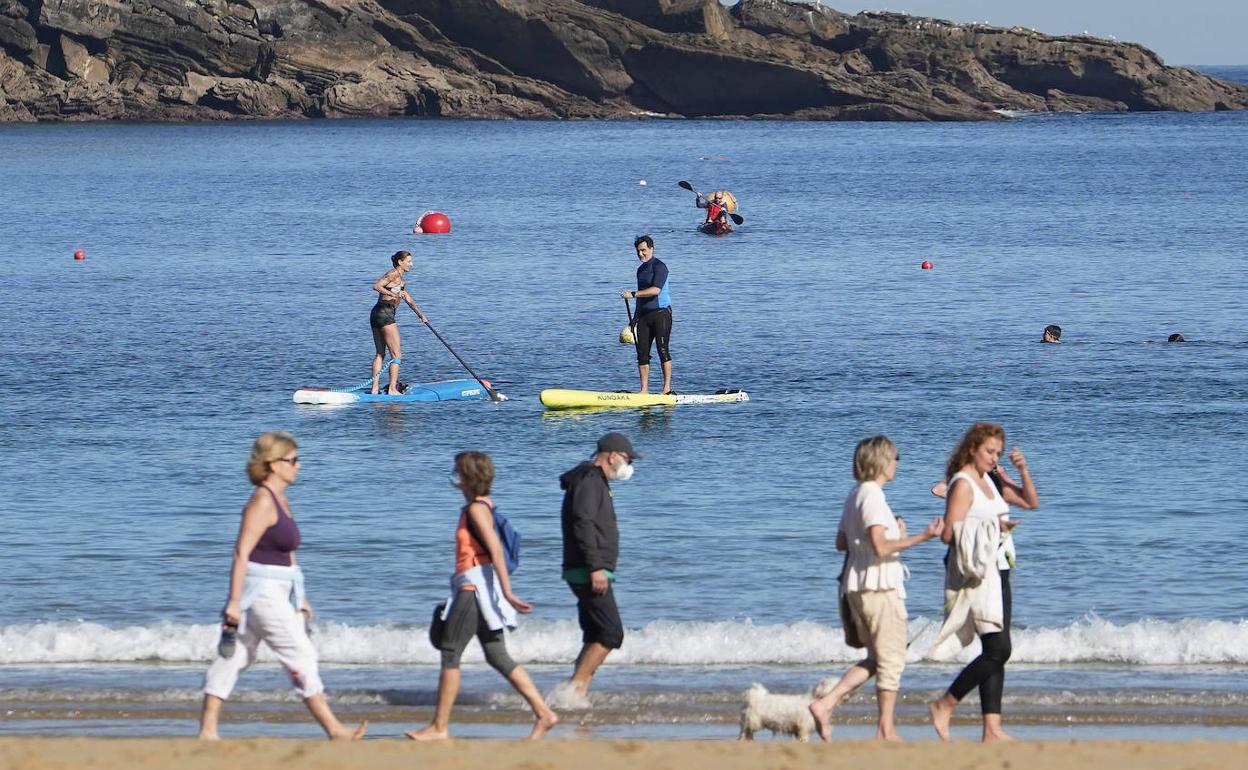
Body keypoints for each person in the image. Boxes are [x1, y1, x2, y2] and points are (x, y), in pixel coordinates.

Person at [199, 431, 366, 741]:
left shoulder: (281, 500)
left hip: (278, 588)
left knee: (237, 656)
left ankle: (208, 731)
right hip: (259, 591)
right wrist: (234, 602)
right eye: (293, 460)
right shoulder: (262, 501)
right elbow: (241, 552)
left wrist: (301, 598)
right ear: (274, 464)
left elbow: (286, 554)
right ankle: (334, 730)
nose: (298, 466)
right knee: (300, 653)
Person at [405, 452, 558, 741]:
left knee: (450, 652)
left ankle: (439, 727)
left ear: (467, 476)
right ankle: (545, 714)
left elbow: (496, 550)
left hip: (473, 588)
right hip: (480, 587)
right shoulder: (482, 506)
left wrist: (509, 592)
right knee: (497, 655)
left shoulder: (476, 510)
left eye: (458, 471)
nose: (454, 475)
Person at [809, 436, 943, 742]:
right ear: (882, 461)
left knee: (876, 657)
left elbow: (842, 542)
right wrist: (921, 536)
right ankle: (885, 730)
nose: (898, 463)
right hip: (878, 586)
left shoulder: (854, 494)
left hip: (856, 583)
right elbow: (881, 546)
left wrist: (886, 533)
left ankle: (826, 704)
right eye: (896, 457)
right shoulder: (872, 497)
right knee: (892, 658)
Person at [928, 423, 1038, 743]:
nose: (994, 458)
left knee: (995, 648)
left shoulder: (990, 479)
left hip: (999, 567)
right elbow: (948, 534)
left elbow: (1031, 502)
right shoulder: (962, 483)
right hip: (974, 571)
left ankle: (991, 729)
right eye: (990, 451)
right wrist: (992, 526)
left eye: (999, 453)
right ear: (972, 448)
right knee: (999, 649)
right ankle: (944, 703)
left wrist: (1022, 469)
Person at [558, 432, 640, 702]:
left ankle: (579, 693)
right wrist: (595, 567)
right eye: (627, 460)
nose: (629, 467)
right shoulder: (590, 481)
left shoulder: (593, 480)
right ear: (612, 456)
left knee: (594, 633)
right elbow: (582, 523)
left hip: (589, 568)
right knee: (611, 633)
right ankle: (573, 689)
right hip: (588, 569)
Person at [619, 236, 673, 394]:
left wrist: (633, 294)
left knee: (662, 349)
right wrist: (634, 320)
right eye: (638, 251)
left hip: (661, 314)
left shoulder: (660, 266)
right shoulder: (640, 270)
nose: (641, 254)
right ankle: (644, 391)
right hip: (644, 316)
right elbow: (641, 299)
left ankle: (666, 389)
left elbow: (656, 290)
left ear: (651, 248)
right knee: (642, 354)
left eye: (643, 250)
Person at [370, 250, 427, 395]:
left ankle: (374, 390)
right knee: (396, 354)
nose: (411, 264)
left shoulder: (401, 279)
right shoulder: (393, 273)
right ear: (400, 262)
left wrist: (420, 315)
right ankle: (392, 389)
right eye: (408, 261)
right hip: (385, 313)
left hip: (376, 314)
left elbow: (407, 298)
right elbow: (377, 286)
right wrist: (393, 294)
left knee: (380, 354)